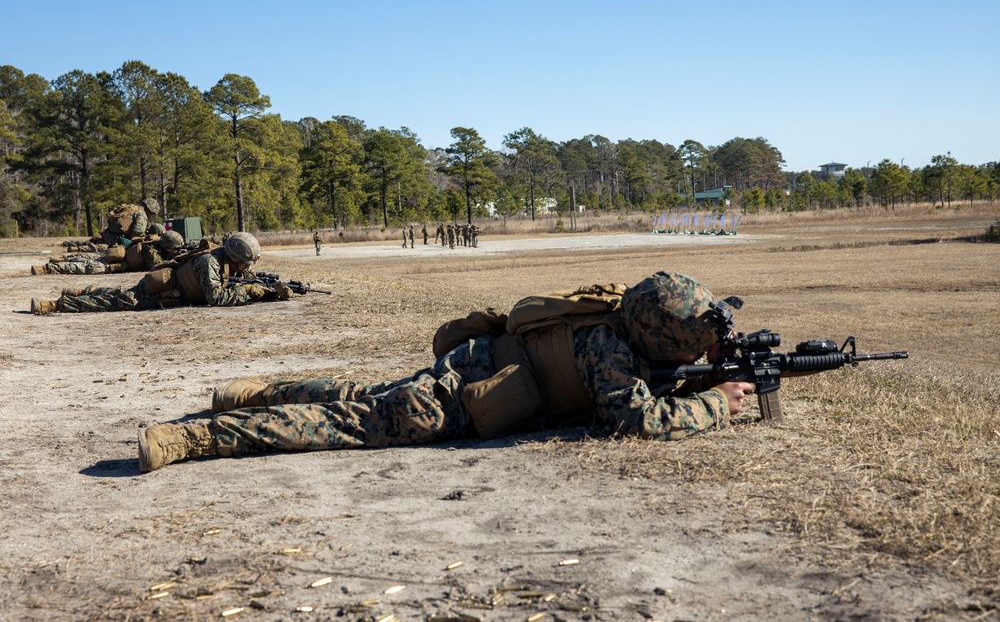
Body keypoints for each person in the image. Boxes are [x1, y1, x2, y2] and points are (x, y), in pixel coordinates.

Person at [135, 271, 752, 472]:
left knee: (363, 394)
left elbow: (648, 386)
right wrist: (718, 401)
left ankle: (256, 391)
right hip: (459, 397)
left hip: (473, 363)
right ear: (661, 334)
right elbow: (636, 422)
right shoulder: (608, 351)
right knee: (350, 422)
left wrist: (702, 377)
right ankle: (193, 438)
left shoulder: (617, 321)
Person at [29, 232, 294, 315]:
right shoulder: (211, 263)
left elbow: (242, 281)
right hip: (161, 295)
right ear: (237, 258)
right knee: (112, 302)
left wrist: (270, 290)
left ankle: (77, 291)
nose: (248, 269)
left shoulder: (223, 259)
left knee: (117, 294)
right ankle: (54, 305)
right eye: (246, 263)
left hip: (166, 290)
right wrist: (249, 293)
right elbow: (216, 298)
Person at [33, 230, 186, 276]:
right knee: (85, 267)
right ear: (166, 245)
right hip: (115, 263)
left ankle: (59, 260)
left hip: (118, 256)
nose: (176, 251)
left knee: (85, 259)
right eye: (174, 248)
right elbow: (156, 265)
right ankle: (48, 268)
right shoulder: (150, 249)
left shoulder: (155, 245)